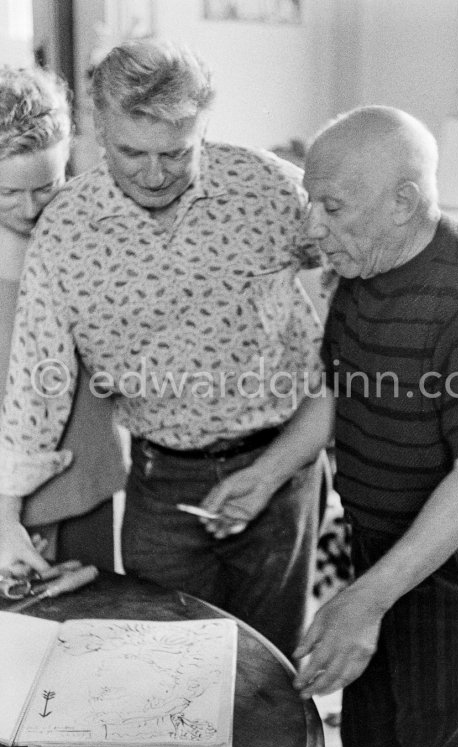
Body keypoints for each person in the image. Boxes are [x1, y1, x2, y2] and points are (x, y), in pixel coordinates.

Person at [202, 106, 458, 747]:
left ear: (403, 201)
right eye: (311, 205)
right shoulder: (362, 266)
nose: (313, 229)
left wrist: (364, 600)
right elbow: (339, 390)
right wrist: (267, 474)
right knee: (376, 741)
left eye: (331, 207)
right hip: (387, 544)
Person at [0, 40, 324, 658]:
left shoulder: (267, 188)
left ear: (204, 126)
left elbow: (355, 256)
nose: (154, 174)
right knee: (164, 671)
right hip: (161, 483)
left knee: (269, 674)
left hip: (281, 473)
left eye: (176, 153)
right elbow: (36, 383)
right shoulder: (65, 229)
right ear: (97, 133)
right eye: (131, 153)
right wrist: (5, 516)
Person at [0, 65, 126, 577]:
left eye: (47, 186)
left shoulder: (90, 232)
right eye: (8, 192)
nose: (30, 210)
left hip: (80, 485)